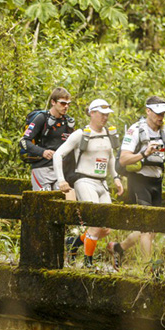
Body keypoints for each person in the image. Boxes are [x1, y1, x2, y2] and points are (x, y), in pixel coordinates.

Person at [107, 96, 165, 269]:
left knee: (153, 227)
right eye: (157, 113)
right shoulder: (136, 130)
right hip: (139, 181)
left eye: (163, 113)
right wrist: (144, 153)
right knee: (146, 227)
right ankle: (147, 268)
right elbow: (124, 160)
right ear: (148, 111)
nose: (161, 117)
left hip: (156, 181)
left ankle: (118, 248)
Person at [53, 99, 123, 268]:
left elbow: (111, 157)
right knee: (95, 223)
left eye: (107, 115)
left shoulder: (109, 134)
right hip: (84, 181)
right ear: (92, 113)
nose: (105, 118)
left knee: (107, 227)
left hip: (102, 183)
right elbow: (58, 154)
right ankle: (88, 264)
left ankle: (74, 242)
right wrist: (61, 180)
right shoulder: (80, 134)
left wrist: (115, 177)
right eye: (101, 114)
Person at [20, 87, 76, 194]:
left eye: (68, 103)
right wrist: (43, 152)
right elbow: (23, 142)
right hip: (42, 169)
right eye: (63, 103)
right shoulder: (42, 118)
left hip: (60, 171)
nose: (66, 106)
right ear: (53, 102)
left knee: (65, 201)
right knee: (42, 202)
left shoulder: (68, 122)